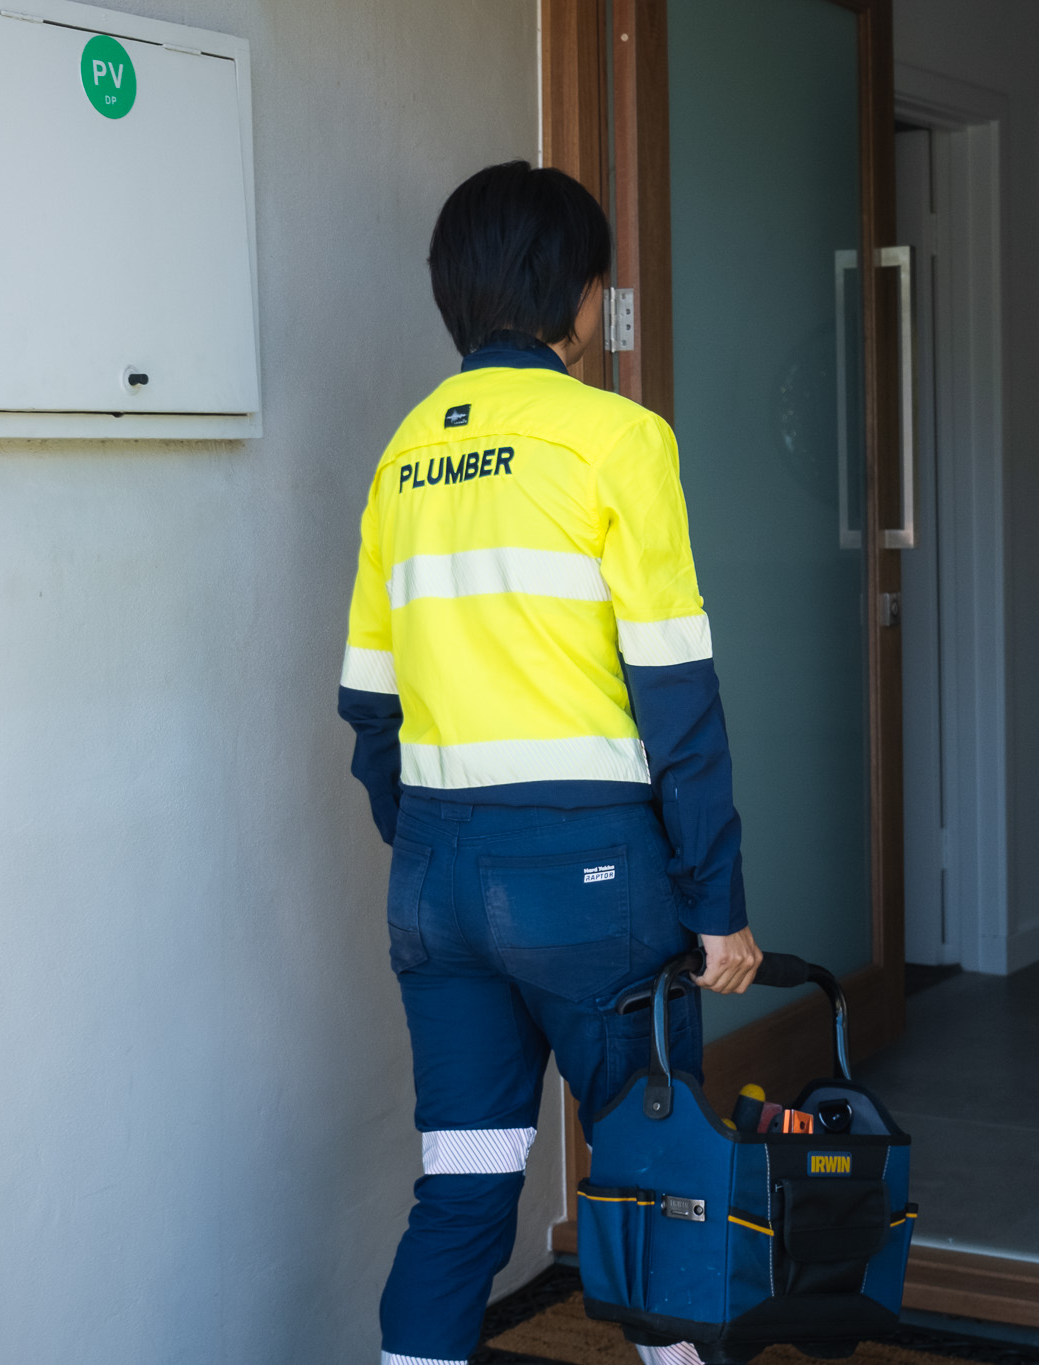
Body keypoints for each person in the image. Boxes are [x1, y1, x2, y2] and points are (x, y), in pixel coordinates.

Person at [338, 160, 758, 1365]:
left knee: (462, 1195)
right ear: (576, 294)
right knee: (659, 1188)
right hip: (589, 882)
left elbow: (368, 705)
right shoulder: (616, 439)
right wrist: (717, 905)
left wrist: (434, 845)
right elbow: (676, 696)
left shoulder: (403, 457)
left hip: (436, 882)